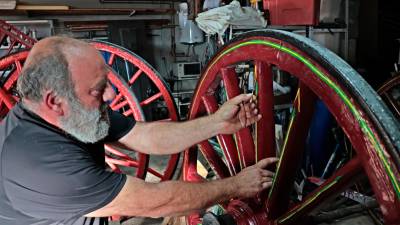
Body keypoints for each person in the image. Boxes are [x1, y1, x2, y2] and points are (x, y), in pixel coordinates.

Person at [0, 36, 278, 225]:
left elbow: (145, 136)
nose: (110, 96)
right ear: (54, 101)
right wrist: (235, 186)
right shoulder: (40, 166)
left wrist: (216, 123)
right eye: (98, 89)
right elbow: (156, 202)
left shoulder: (70, 114)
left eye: (106, 82)